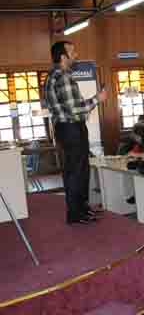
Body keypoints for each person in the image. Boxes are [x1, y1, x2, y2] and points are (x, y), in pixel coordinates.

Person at [44, 41, 108, 225]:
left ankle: (81, 209)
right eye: (72, 52)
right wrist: (98, 98)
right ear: (63, 57)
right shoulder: (63, 77)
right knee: (77, 171)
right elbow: (74, 110)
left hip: (66, 128)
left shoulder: (53, 76)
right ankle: (77, 213)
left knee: (76, 169)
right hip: (71, 128)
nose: (76, 55)